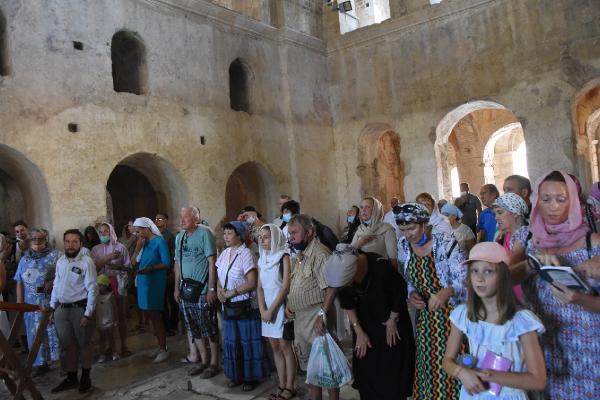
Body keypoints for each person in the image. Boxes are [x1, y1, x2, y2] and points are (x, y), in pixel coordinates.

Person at [512, 170, 600, 398]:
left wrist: (581, 299)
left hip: (588, 351)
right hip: (541, 345)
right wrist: (531, 265)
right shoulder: (529, 239)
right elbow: (503, 279)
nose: (552, 206)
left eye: (561, 199)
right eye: (546, 199)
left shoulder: (594, 244)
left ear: (573, 202)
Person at [443, 242, 546, 399]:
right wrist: (461, 372)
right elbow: (447, 361)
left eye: (488, 272)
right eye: (474, 271)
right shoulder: (464, 315)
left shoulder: (521, 321)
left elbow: (538, 380)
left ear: (503, 276)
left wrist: (488, 375)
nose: (480, 278)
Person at [395, 203, 466, 400]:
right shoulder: (403, 246)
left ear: (425, 223)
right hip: (425, 319)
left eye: (411, 228)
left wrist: (446, 292)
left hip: (450, 318)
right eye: (403, 230)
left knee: (450, 364)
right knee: (428, 364)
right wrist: (411, 294)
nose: (408, 234)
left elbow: (465, 280)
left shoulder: (445, 243)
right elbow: (407, 278)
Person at [338, 252, 415, 400]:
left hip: (392, 324)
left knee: (392, 376)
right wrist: (358, 331)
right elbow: (347, 302)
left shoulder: (380, 267)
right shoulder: (341, 276)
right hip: (365, 327)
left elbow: (400, 292)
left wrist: (393, 319)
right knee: (367, 375)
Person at [286, 214, 339, 400]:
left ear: (309, 232)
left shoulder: (321, 253)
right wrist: (290, 304)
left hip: (316, 317)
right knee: (311, 371)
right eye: (289, 233)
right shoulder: (301, 255)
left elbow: (331, 286)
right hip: (301, 319)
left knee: (327, 369)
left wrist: (322, 314)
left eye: (295, 233)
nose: (291, 237)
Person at [216, 221, 270, 391]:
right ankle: (236, 375)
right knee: (232, 342)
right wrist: (218, 290)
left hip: (244, 306)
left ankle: (251, 377)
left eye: (229, 233)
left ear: (239, 235)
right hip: (229, 306)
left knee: (247, 343)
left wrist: (232, 292)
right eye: (224, 233)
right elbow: (220, 276)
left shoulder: (247, 254)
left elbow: (252, 282)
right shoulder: (224, 254)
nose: (226, 236)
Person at [49, 229, 98, 394]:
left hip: (80, 308)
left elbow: (92, 288)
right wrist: (52, 306)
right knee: (68, 346)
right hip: (62, 309)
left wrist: (88, 313)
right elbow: (56, 285)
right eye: (67, 242)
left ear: (80, 243)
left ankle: (86, 377)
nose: (70, 245)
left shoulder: (86, 262)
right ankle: (71, 378)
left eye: (74, 242)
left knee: (84, 344)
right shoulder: (61, 262)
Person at [174, 207, 220, 378]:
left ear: (196, 218)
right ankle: (203, 360)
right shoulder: (180, 237)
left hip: (202, 289)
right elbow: (177, 264)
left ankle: (214, 362)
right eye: (181, 217)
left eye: (185, 217)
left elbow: (211, 261)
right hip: (186, 289)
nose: (182, 220)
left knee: (209, 327)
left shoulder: (205, 233)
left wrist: (212, 288)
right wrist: (176, 288)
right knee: (194, 328)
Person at [256, 224, 296, 400]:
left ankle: (290, 386)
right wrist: (263, 309)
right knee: (275, 348)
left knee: (285, 347)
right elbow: (259, 287)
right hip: (266, 310)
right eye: (261, 237)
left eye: (266, 237)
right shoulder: (262, 258)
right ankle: (281, 384)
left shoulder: (284, 257)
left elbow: (285, 286)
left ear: (276, 238)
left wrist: (271, 310)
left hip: (279, 308)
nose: (262, 240)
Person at [14, 228, 60, 375]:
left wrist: (53, 281)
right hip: (30, 304)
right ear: (30, 240)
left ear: (46, 240)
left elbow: (64, 275)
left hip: (47, 301)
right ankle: (40, 363)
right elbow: (19, 281)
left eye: (41, 239)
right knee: (33, 334)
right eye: (34, 239)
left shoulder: (55, 256)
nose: (37, 242)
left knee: (50, 332)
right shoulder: (24, 259)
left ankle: (58, 361)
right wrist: (20, 304)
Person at [131, 217, 171, 363]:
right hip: (143, 281)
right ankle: (160, 345)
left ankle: (163, 348)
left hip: (154, 282)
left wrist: (151, 269)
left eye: (139, 231)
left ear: (147, 228)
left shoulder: (159, 242)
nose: (137, 234)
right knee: (150, 315)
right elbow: (132, 262)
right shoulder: (143, 243)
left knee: (155, 315)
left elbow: (166, 263)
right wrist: (137, 248)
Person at [90, 222, 131, 356]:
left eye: (106, 231)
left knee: (121, 315)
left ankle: (124, 345)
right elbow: (93, 268)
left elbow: (129, 267)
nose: (103, 234)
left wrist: (118, 267)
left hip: (118, 283)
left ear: (111, 232)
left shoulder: (121, 247)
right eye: (100, 232)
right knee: (106, 316)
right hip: (102, 286)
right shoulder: (95, 250)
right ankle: (110, 346)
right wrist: (108, 258)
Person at [351, 196, 398, 268]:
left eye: (367, 207)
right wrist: (359, 243)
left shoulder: (387, 229)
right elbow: (349, 252)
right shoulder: (360, 229)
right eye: (362, 207)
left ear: (376, 210)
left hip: (380, 272)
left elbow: (393, 260)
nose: (363, 210)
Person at [155, 212, 178, 336]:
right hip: (159, 273)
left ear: (166, 221)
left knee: (172, 300)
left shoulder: (169, 236)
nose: (158, 221)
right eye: (156, 219)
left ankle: (173, 325)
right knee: (162, 301)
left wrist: (174, 271)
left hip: (169, 272)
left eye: (160, 218)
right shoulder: (155, 236)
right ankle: (166, 326)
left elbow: (174, 255)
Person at [492, 193, 529, 263]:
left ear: (515, 214)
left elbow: (511, 264)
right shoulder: (500, 235)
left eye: (500, 213)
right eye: (495, 214)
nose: (496, 218)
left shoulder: (524, 233)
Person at [95, 274, 118, 363]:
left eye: (100, 285)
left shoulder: (110, 295)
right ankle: (102, 354)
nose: (98, 287)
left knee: (111, 337)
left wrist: (116, 320)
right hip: (100, 320)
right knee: (101, 339)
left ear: (105, 285)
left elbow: (115, 308)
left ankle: (114, 353)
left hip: (110, 320)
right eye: (97, 285)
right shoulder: (96, 297)